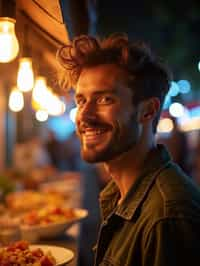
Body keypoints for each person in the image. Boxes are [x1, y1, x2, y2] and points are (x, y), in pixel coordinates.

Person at [57, 34, 200, 266]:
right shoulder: (119, 193)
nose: (84, 115)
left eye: (104, 99)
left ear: (148, 110)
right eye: (81, 101)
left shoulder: (167, 217)